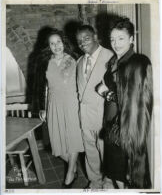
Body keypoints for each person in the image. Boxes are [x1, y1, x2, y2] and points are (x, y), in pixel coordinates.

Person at [97, 17, 153, 189]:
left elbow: (133, 100)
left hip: (125, 129)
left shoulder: (137, 62)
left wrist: (105, 92)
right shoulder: (115, 61)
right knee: (117, 174)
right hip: (112, 126)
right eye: (112, 39)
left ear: (131, 39)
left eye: (121, 38)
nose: (116, 43)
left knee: (125, 175)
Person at [32, 29, 84, 188]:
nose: (56, 46)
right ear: (48, 46)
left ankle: (70, 173)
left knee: (73, 137)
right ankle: (72, 165)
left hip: (72, 102)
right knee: (55, 141)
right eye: (52, 43)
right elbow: (39, 87)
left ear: (64, 42)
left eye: (58, 42)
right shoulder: (43, 62)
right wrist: (42, 107)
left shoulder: (75, 58)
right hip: (53, 104)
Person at [76, 25, 113, 189]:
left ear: (95, 36)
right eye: (79, 41)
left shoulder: (110, 57)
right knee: (90, 152)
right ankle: (95, 182)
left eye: (86, 38)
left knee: (106, 152)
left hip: (103, 116)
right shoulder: (79, 61)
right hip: (84, 117)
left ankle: (109, 182)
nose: (82, 43)